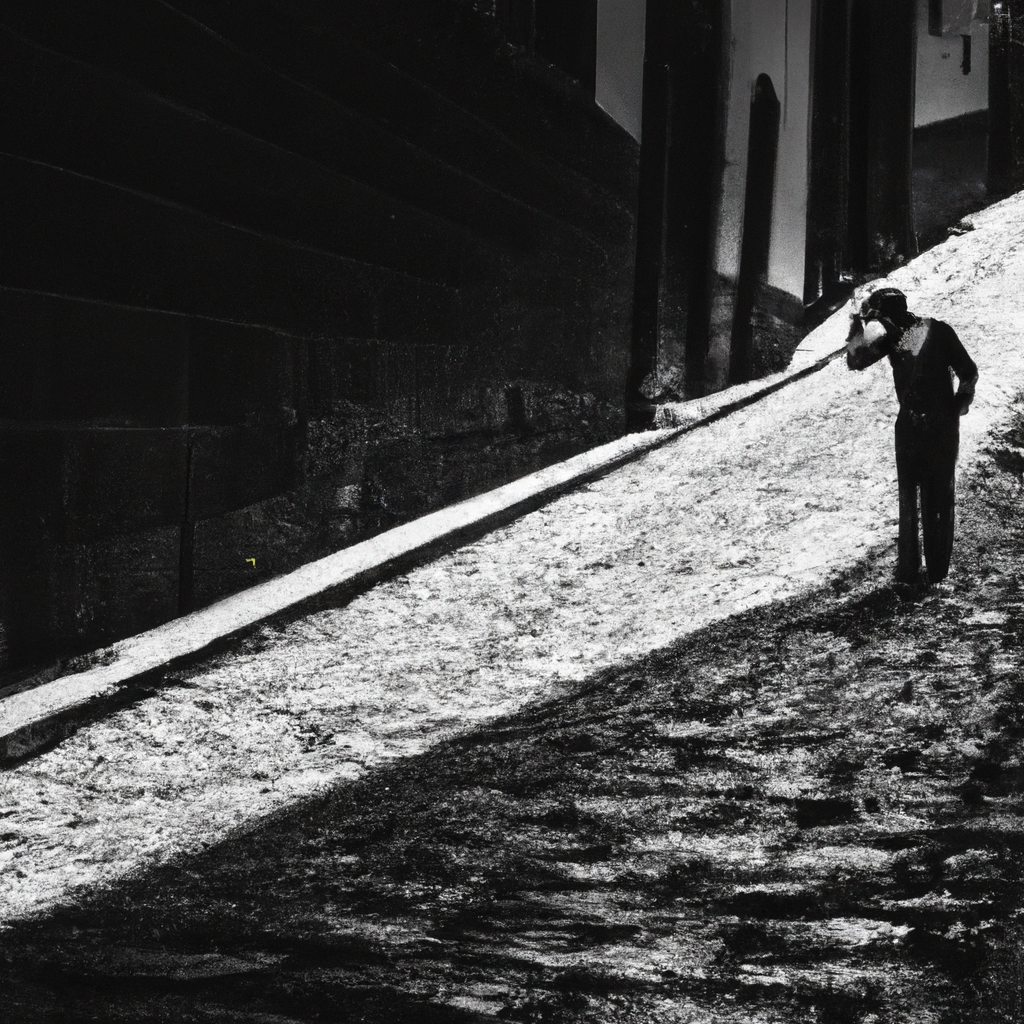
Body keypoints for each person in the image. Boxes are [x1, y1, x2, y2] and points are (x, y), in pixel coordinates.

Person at [846, 287, 978, 585]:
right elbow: (856, 360)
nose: (878, 327)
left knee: (938, 498)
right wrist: (856, 322)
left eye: (879, 319)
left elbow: (968, 370)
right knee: (908, 500)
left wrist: (958, 405)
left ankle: (937, 573)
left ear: (893, 315)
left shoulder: (936, 331)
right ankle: (908, 573)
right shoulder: (894, 338)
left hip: (941, 427)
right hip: (908, 425)